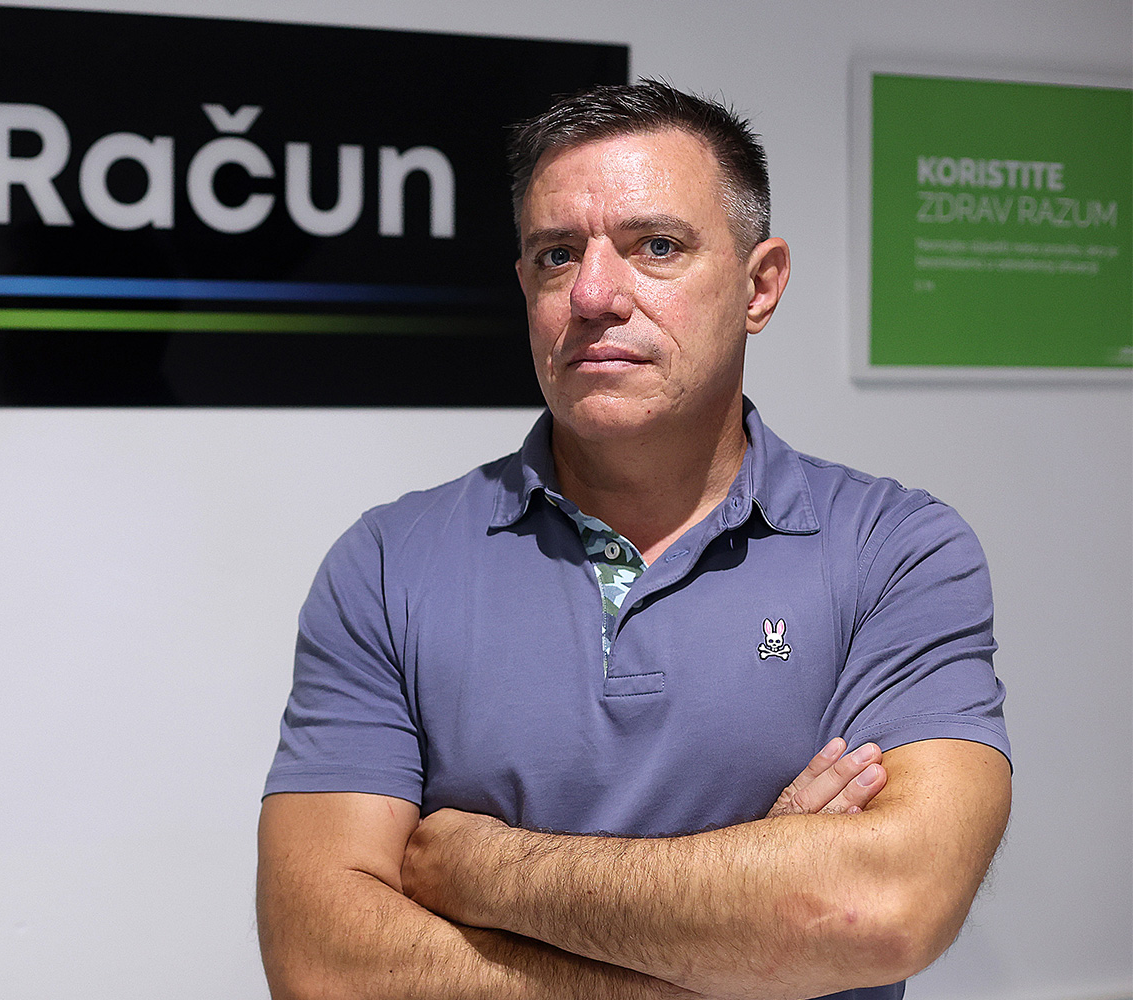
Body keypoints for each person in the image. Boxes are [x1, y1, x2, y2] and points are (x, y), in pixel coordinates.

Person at [256, 80, 1010, 1000]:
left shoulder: (897, 552)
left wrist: (486, 871)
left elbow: (880, 908)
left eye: (657, 246)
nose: (593, 294)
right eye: (557, 255)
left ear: (760, 286)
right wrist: (746, 938)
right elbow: (323, 963)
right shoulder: (387, 564)